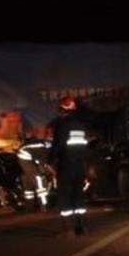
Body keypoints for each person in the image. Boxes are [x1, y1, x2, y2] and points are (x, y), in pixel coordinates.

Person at [47, 95, 90, 237]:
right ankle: (82, 227)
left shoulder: (62, 125)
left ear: (61, 109)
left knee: (64, 197)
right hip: (80, 166)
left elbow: (58, 145)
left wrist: (50, 161)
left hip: (66, 165)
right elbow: (84, 147)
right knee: (78, 196)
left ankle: (68, 229)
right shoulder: (81, 125)